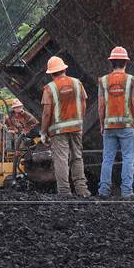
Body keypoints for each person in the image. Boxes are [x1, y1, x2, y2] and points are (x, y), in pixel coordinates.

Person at [40, 55, 91, 198]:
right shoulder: (76, 83)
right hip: (76, 127)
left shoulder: (50, 88)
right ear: (64, 69)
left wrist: (43, 132)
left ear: (51, 73)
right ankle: (82, 190)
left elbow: (46, 113)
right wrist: (79, 120)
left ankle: (64, 191)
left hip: (58, 130)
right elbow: (84, 103)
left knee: (61, 159)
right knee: (77, 157)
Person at [97, 46, 134, 198]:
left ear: (111, 62)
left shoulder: (103, 81)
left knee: (107, 159)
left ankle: (103, 191)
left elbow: (101, 105)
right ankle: (126, 192)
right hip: (127, 127)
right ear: (125, 62)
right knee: (128, 159)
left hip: (109, 126)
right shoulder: (131, 80)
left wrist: (102, 124)